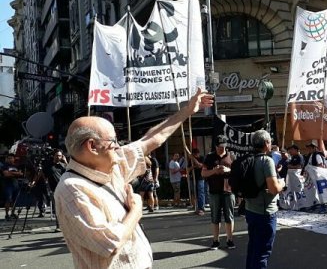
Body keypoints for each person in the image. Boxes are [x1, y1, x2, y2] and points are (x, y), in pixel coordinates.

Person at [54, 88, 214, 269]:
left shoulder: (111, 165)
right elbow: (109, 243)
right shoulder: (72, 188)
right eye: (113, 141)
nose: (118, 146)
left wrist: (187, 110)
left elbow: (152, 139)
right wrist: (136, 211)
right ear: (92, 146)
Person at [244, 130, 285, 269]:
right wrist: (282, 184)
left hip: (250, 208)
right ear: (267, 143)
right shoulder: (266, 160)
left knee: (253, 248)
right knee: (262, 252)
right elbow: (273, 188)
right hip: (265, 211)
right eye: (270, 142)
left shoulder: (249, 159)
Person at [202, 135, 236, 250]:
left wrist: (229, 170)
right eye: (219, 147)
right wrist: (214, 171)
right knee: (215, 217)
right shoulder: (210, 157)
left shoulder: (231, 156)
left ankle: (230, 239)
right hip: (214, 191)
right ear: (215, 146)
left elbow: (238, 172)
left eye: (223, 146)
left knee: (229, 216)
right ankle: (215, 240)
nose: (221, 149)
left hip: (229, 191)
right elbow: (203, 173)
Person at [2, 154, 24, 220]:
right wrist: (16, 173)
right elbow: (6, 174)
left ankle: (13, 213)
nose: (10, 159)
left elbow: (21, 173)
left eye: (11, 158)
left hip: (16, 185)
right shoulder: (4, 166)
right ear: (6, 159)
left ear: (14, 159)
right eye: (8, 158)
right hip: (8, 185)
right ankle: (6, 214)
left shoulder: (16, 166)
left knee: (15, 200)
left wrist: (11, 172)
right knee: (8, 199)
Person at [189, 148, 206, 216]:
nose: (196, 155)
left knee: (201, 193)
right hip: (193, 178)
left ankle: (201, 207)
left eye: (196, 154)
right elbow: (188, 169)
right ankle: (196, 207)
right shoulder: (191, 160)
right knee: (195, 193)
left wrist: (193, 159)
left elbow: (200, 165)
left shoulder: (202, 158)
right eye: (194, 155)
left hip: (200, 178)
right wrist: (193, 166)